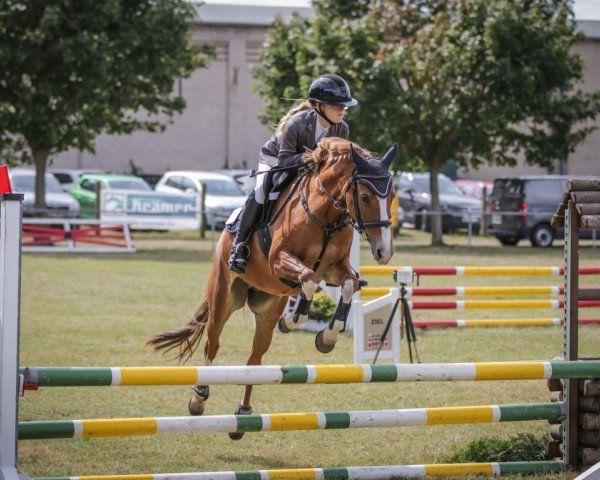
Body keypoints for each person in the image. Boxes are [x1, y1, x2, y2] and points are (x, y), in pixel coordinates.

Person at [228, 73, 358, 273]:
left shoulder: (342, 129)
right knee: (262, 189)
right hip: (275, 160)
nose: (342, 109)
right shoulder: (296, 124)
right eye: (336, 105)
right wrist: (315, 156)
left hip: (310, 168)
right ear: (318, 106)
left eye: (344, 106)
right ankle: (240, 245)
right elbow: (285, 159)